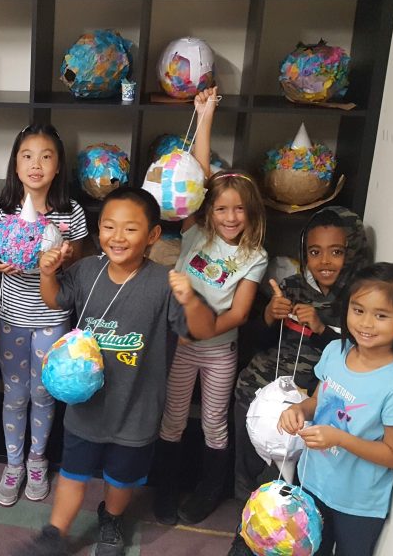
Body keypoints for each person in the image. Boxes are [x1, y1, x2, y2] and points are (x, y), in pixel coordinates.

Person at [16, 187, 216, 556]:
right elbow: (55, 299)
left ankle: (110, 518)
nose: (117, 237)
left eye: (130, 229)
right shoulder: (86, 270)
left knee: (122, 480)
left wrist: (190, 299)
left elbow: (201, 331)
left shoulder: (164, 282)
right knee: (73, 473)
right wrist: (46, 274)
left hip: (136, 409)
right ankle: (54, 534)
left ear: (153, 235)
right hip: (86, 407)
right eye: (109, 227)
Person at [152, 88, 270, 526]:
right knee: (172, 419)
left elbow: (239, 314)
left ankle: (208, 491)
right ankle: (164, 488)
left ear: (251, 212)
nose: (230, 217)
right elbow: (199, 179)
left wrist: (201, 330)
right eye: (222, 208)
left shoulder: (254, 256)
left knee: (214, 423)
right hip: (180, 346)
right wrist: (205, 116)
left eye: (239, 210)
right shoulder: (196, 229)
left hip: (218, 349)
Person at [277, 262, 393, 556]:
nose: (366, 324)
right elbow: (317, 402)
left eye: (381, 315)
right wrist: (298, 411)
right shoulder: (335, 351)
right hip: (311, 481)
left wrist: (340, 439)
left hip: (357, 504)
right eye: (358, 310)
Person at [233, 207, 371, 498]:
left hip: (310, 403)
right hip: (258, 390)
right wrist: (269, 315)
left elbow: (358, 357)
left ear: (352, 252)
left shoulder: (359, 298)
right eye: (314, 252)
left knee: (291, 486)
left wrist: (321, 329)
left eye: (336, 252)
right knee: (249, 473)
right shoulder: (291, 287)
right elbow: (256, 342)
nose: (325, 261)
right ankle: (245, 513)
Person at [0, 123, 89, 506]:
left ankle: (37, 461)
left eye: (46, 157)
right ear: (15, 164)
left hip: (53, 317)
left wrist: (65, 255)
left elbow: (80, 257)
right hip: (12, 316)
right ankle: (14, 465)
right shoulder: (1, 210)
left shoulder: (70, 212)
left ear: (58, 166)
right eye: (27, 156)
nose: (36, 164)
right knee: (14, 395)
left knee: (43, 393)